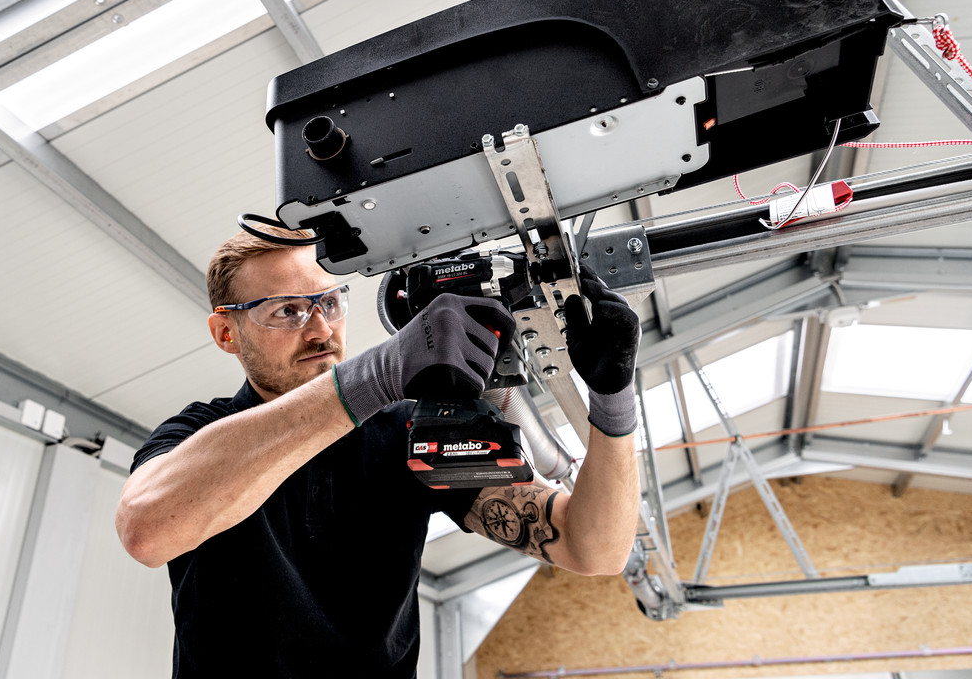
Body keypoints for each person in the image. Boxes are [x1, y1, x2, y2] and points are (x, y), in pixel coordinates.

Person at [116, 226, 642, 678]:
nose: (321, 330)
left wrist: (614, 400)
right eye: (287, 311)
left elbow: (592, 548)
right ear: (226, 332)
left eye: (329, 303)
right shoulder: (198, 435)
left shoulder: (409, 434)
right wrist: (375, 377)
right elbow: (145, 530)